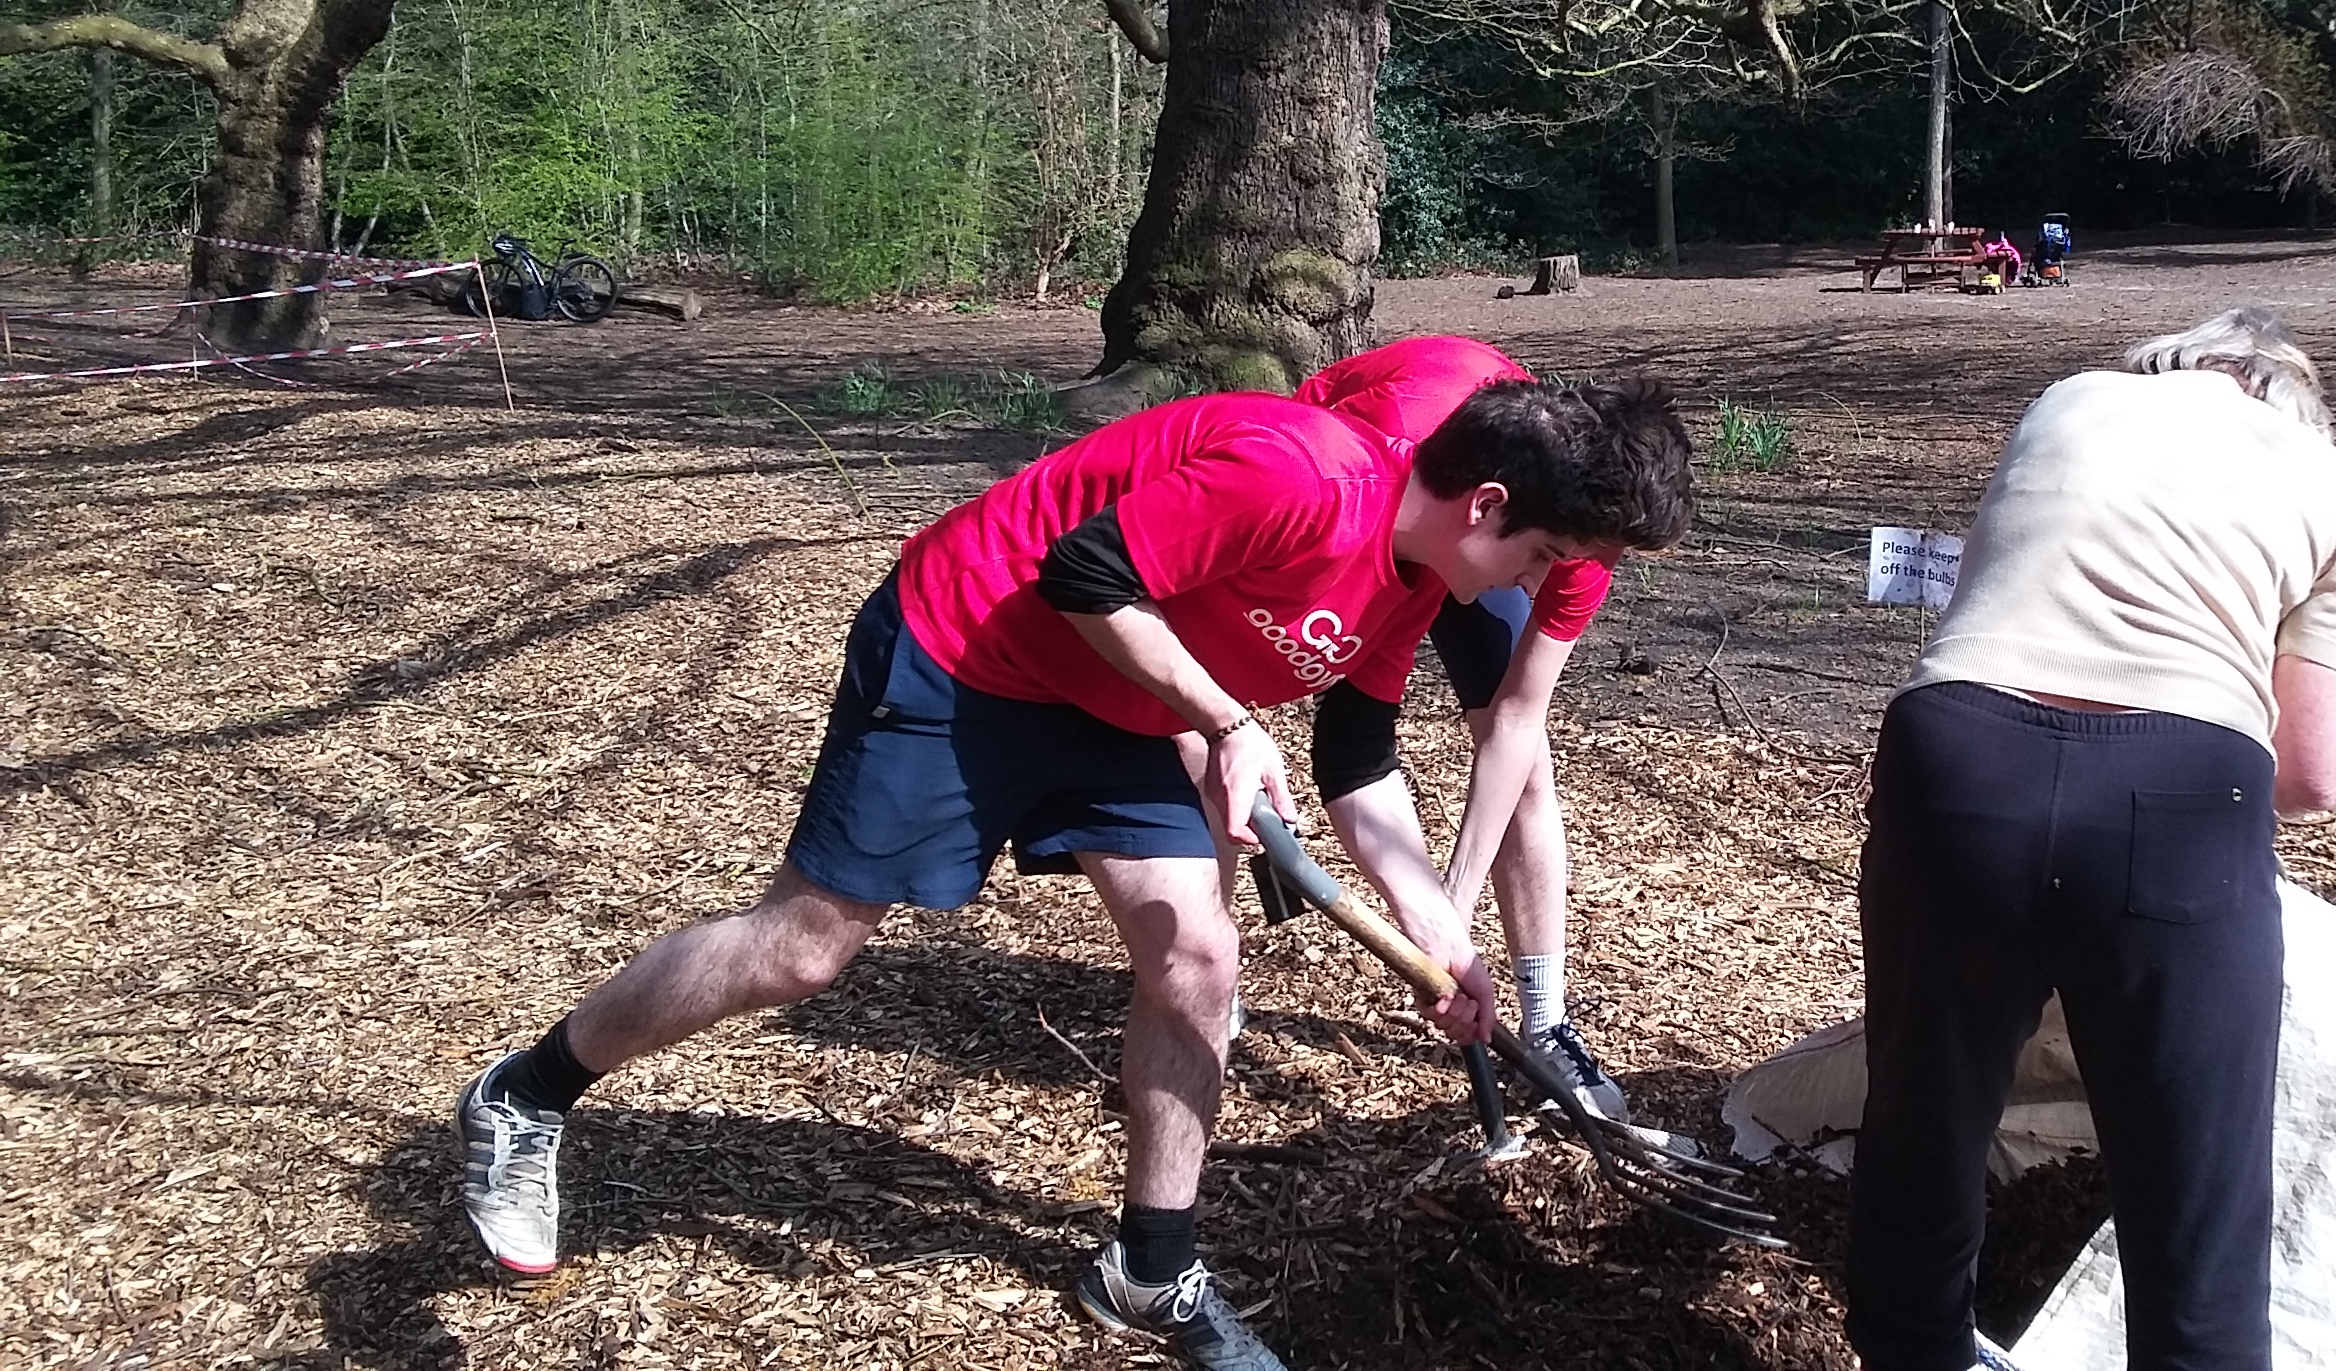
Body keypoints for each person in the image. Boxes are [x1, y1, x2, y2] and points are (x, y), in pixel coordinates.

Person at [451, 374, 1694, 1370]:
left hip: (1131, 702)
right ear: (1484, 503)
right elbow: (1084, 573)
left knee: (1200, 951)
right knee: (804, 950)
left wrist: (1446, 939)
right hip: (967, 650)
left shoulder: (1413, 581)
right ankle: (530, 1089)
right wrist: (1221, 717)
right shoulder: (1301, 475)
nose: (1534, 587)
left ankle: (1150, 1270)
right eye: (1537, 555)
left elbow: (1359, 764)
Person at [1843, 307, 2336, 1371]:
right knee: (2197, 1190)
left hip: (1957, 759)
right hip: (2177, 791)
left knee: (1925, 1119)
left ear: (2174, 365)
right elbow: (2316, 774)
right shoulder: (2329, 482)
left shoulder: (2066, 403)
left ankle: (1914, 1352)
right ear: (2292, 404)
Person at [1294, 336, 1665, 1117]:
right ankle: (1206, 971)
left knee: (1530, 769)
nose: (1592, 569)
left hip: (1497, 529)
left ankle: (1547, 1021)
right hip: (1387, 508)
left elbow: (1518, 718)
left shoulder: (1579, 545)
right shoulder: (1418, 436)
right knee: (1247, 695)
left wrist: (1450, 907)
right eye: (1594, 550)